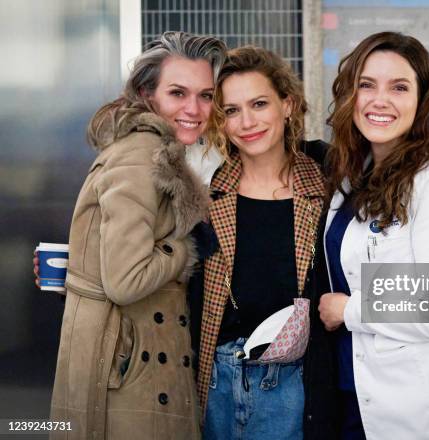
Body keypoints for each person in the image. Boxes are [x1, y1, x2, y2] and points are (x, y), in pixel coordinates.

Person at [318, 32, 429, 439]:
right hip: (356, 400)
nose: (379, 100)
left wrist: (347, 310)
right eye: (367, 85)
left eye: (399, 87)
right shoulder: (352, 177)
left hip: (422, 408)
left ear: (421, 102)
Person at [47, 31, 226, 440]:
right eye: (178, 93)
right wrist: (185, 250)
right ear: (148, 94)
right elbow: (126, 280)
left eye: (205, 95)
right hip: (130, 371)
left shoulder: (154, 150)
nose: (194, 109)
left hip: (131, 359)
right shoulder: (143, 155)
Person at [196, 45, 337, 440]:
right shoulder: (206, 192)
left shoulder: (329, 184)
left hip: (297, 382)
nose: (247, 122)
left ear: (287, 105)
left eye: (259, 103)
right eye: (231, 111)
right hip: (217, 382)